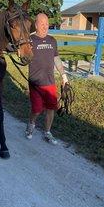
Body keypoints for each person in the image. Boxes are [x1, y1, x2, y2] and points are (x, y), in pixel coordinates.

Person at [25, 13, 69, 145]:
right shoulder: (29, 39)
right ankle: (31, 125)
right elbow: (22, 54)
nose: (45, 26)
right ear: (36, 25)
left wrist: (64, 76)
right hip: (35, 81)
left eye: (47, 24)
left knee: (51, 108)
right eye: (42, 24)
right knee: (37, 109)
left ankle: (47, 132)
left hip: (50, 81)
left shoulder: (52, 40)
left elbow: (56, 59)